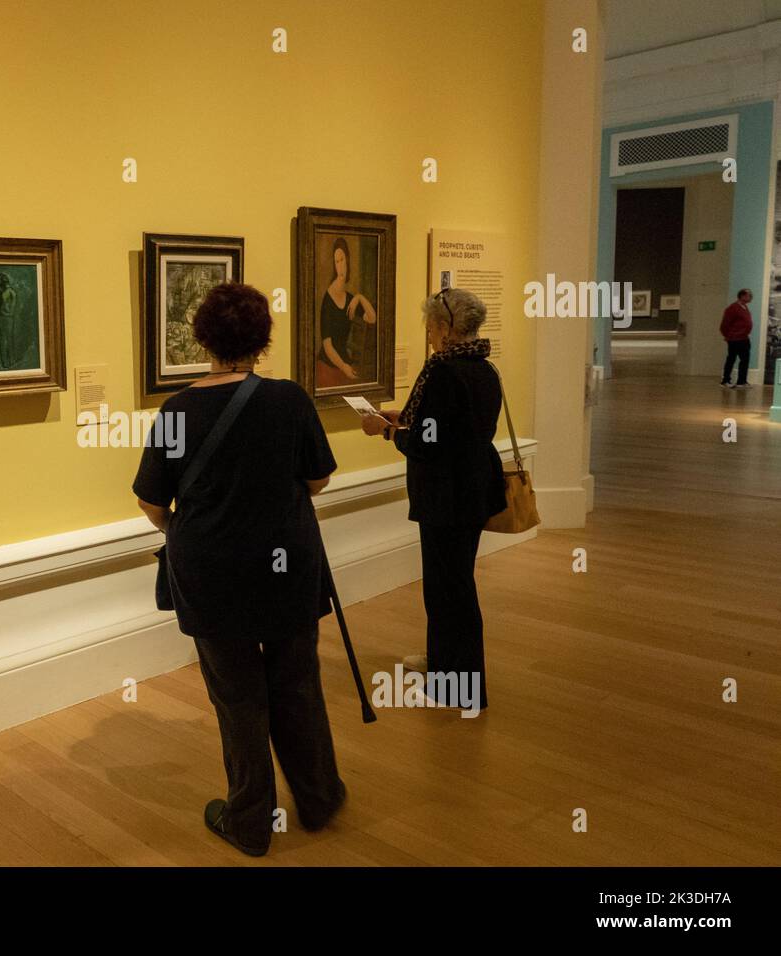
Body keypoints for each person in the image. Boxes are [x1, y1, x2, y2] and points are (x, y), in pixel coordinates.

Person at [133, 282, 347, 857]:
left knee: (238, 698)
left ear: (203, 337)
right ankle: (320, 797)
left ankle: (251, 821)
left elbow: (153, 503)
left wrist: (193, 533)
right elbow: (317, 479)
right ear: (262, 339)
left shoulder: (177, 410)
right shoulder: (290, 399)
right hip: (287, 564)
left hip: (211, 571)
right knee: (297, 683)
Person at [360, 288, 505, 712]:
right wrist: (401, 419)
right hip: (473, 489)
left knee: (449, 590)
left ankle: (460, 686)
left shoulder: (442, 372)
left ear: (446, 328)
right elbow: (448, 428)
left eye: (430, 326)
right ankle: (444, 665)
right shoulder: (483, 368)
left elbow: (428, 444)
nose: (427, 334)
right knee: (452, 583)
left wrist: (386, 431)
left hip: (447, 494)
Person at [316, 238, 377, 387]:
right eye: (337, 261)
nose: (340, 265)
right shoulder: (328, 299)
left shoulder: (351, 299)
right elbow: (327, 345)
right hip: (328, 364)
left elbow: (372, 318)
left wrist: (360, 297)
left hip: (345, 362)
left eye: (342, 260)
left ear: (347, 260)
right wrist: (343, 367)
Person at [720, 289, 754, 389]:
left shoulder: (745, 307)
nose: (751, 297)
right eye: (749, 295)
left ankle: (741, 381)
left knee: (745, 360)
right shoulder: (733, 308)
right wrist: (728, 336)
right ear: (742, 296)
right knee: (731, 359)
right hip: (735, 339)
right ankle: (725, 380)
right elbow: (724, 325)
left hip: (744, 338)